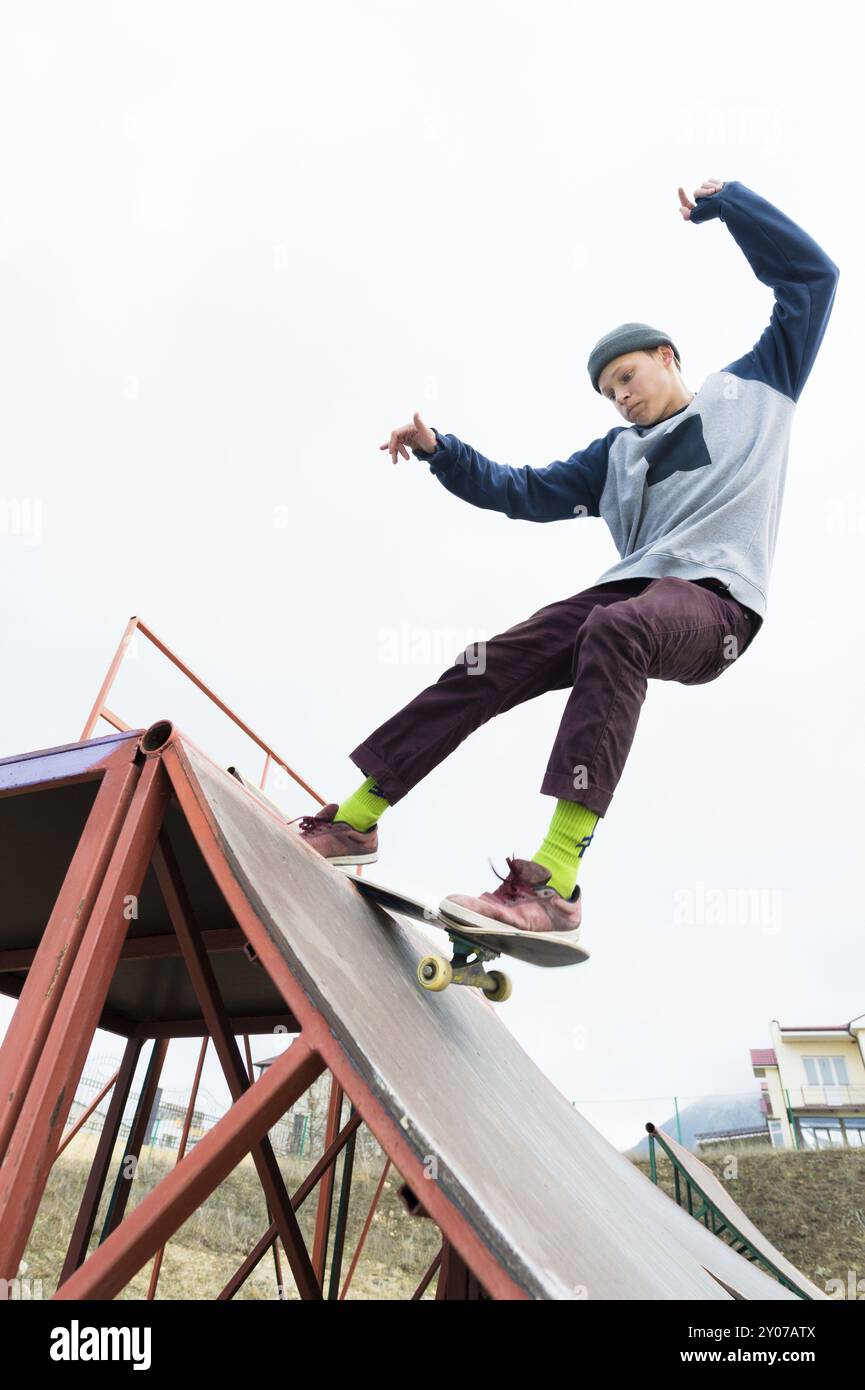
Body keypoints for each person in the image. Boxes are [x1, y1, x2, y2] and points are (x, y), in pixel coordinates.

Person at [290, 178, 839, 943]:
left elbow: (813, 281)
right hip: (629, 590)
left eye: (627, 378)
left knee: (620, 627)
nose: (619, 398)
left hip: (715, 606)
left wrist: (731, 205)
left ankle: (554, 883)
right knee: (489, 660)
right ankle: (355, 820)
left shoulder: (756, 389)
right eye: (607, 392)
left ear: (667, 356)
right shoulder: (611, 457)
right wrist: (439, 452)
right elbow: (521, 490)